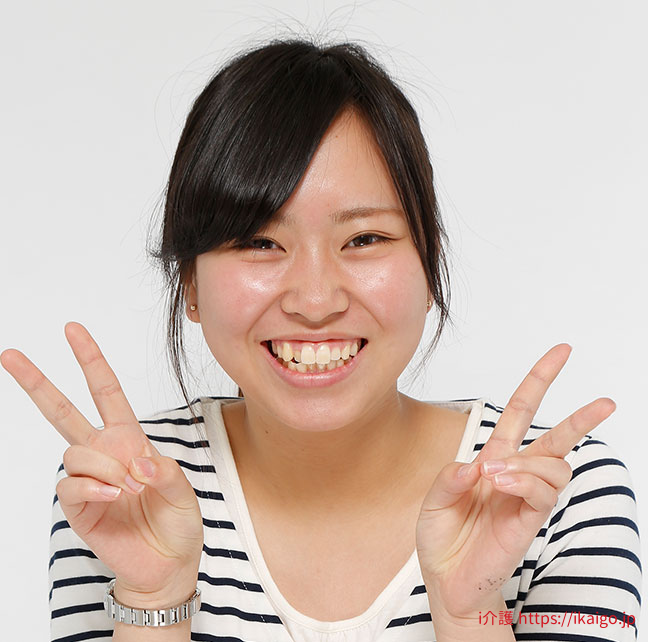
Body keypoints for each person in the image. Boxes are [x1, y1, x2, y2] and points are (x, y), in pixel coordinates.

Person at [0, 38, 640, 642]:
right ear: (190, 282)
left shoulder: (553, 491)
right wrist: (153, 599)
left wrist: (471, 614)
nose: (314, 300)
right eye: (259, 242)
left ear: (430, 266)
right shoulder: (123, 485)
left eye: (364, 239)